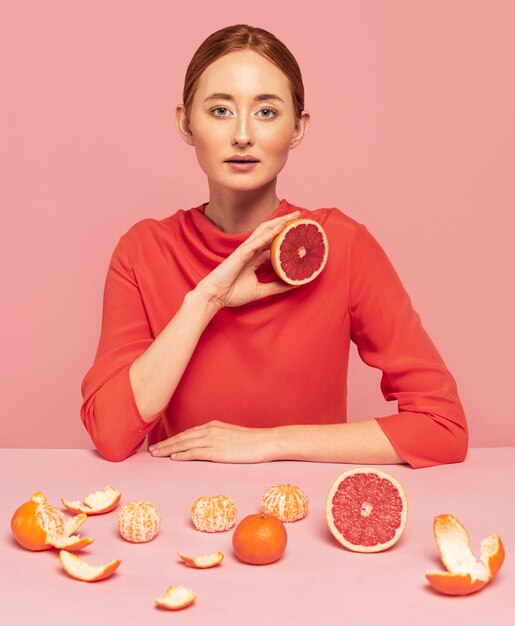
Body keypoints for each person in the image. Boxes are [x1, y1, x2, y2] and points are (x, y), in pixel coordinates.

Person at [80, 24, 468, 468]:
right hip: (186, 513)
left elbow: (443, 427)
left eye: (266, 112)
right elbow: (110, 434)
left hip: (303, 512)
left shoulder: (344, 245)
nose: (243, 135)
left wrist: (269, 443)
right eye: (220, 110)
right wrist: (205, 300)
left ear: (298, 128)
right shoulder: (143, 250)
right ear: (186, 122)